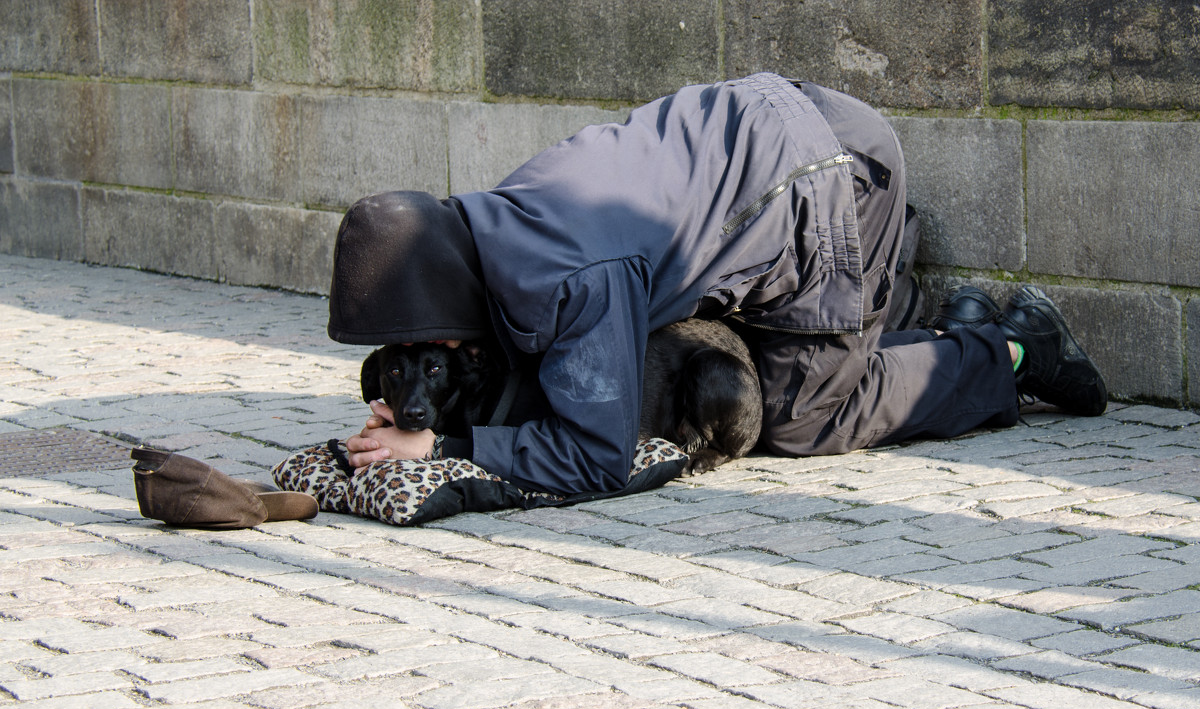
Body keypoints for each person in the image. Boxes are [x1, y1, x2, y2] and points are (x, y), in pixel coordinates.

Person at [328, 73, 1106, 495]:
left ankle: (1006, 349)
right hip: (787, 138)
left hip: (830, 180)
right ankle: (942, 323)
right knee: (785, 373)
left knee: (801, 419)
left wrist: (443, 444)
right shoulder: (494, 221)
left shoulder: (574, 279)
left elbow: (597, 456)